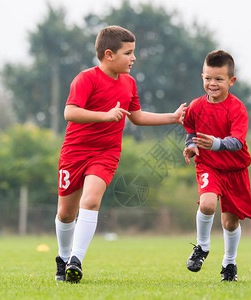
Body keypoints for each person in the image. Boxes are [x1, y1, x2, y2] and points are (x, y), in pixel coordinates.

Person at [54, 25, 186, 283]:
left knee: (91, 201)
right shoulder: (86, 79)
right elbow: (70, 112)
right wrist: (104, 116)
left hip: (106, 153)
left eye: (133, 52)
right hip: (74, 152)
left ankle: (75, 261)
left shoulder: (129, 83)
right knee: (66, 213)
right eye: (128, 53)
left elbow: (135, 117)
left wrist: (172, 117)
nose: (134, 58)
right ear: (109, 54)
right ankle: (62, 257)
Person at [183, 50, 251, 282]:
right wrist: (191, 145)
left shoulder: (237, 108)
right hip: (208, 166)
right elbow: (191, 130)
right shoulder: (195, 106)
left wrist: (215, 143)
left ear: (231, 81)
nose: (212, 84)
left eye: (219, 79)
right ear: (202, 76)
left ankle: (229, 263)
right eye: (208, 78)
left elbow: (236, 142)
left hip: (235, 170)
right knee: (208, 204)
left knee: (230, 223)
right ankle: (202, 247)